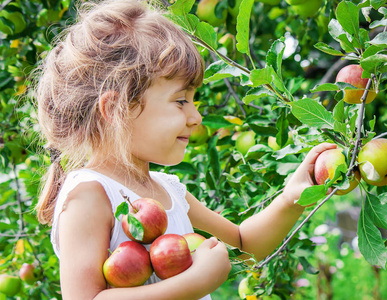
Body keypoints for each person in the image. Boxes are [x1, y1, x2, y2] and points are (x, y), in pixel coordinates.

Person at [34, 0, 337, 299]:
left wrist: (291, 199)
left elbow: (243, 246)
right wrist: (195, 283)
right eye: (181, 101)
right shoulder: (90, 195)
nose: (196, 117)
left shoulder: (167, 189)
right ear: (116, 108)